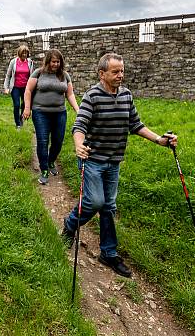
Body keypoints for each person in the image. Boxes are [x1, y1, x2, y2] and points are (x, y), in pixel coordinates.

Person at [60, 52, 178, 278]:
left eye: (122, 71)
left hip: (113, 161)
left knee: (108, 207)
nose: (120, 75)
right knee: (95, 201)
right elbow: (79, 126)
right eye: (115, 72)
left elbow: (135, 125)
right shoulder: (92, 96)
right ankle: (70, 224)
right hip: (92, 159)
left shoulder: (126, 95)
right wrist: (78, 145)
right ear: (102, 73)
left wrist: (159, 140)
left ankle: (108, 253)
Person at [22, 49, 80, 184]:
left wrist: (78, 109)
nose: (56, 64)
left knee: (58, 141)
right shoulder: (38, 73)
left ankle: (51, 161)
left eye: (58, 62)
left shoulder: (64, 75)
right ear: (48, 61)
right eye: (53, 61)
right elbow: (28, 90)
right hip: (40, 112)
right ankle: (44, 170)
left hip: (59, 113)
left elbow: (70, 94)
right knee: (42, 141)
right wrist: (26, 108)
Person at [3, 44, 34, 129]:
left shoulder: (30, 62)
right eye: (23, 53)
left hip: (26, 88)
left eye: (26, 53)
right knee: (16, 105)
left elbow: (32, 76)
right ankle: (18, 124)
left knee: (24, 104)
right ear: (19, 53)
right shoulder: (13, 62)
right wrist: (6, 87)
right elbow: (8, 75)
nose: (25, 55)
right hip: (15, 87)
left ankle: (21, 119)